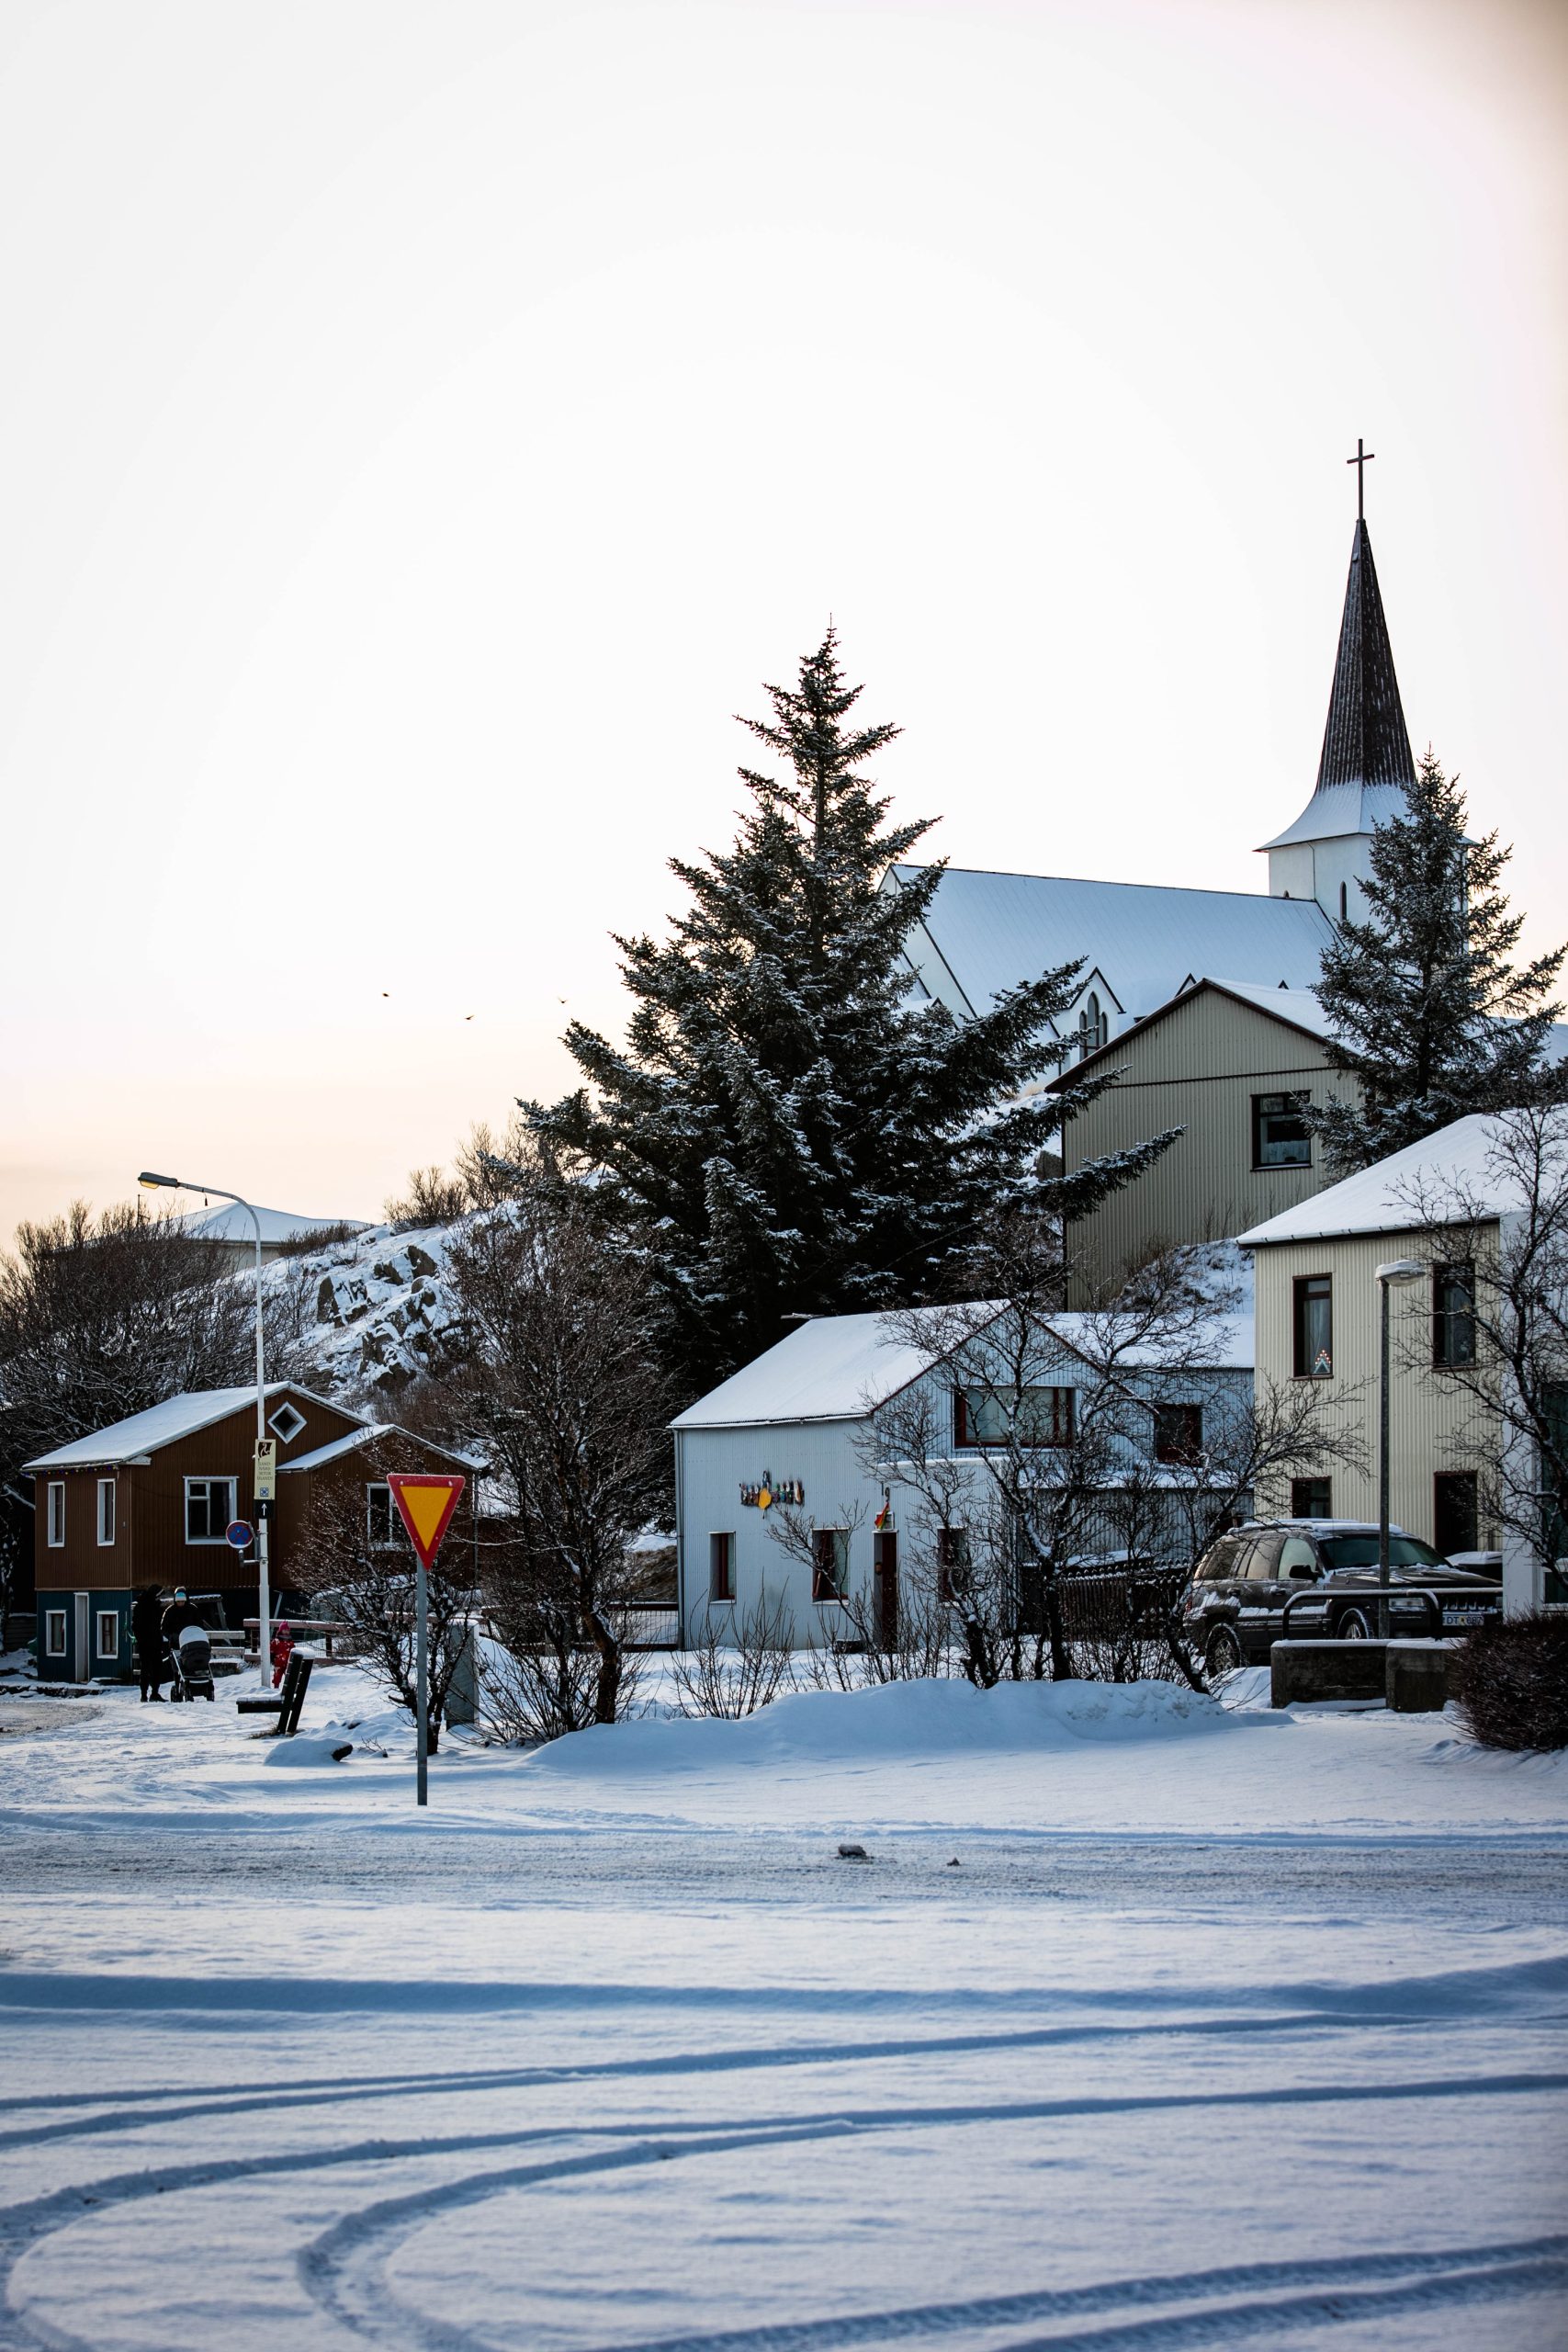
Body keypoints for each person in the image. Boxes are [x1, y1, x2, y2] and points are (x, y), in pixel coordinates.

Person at [131, 1585, 166, 1702]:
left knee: (153, 1669)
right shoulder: (144, 1607)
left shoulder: (148, 1606)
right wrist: (142, 1639)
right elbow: (136, 1626)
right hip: (147, 1643)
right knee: (148, 1669)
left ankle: (151, 1693)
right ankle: (146, 1694)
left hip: (152, 1643)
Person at [270, 1620, 294, 1690]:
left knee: (289, 1676)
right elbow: (272, 1649)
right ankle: (276, 1688)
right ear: (281, 1630)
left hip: (288, 1662)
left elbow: (293, 1649)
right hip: (278, 1662)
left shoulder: (290, 1641)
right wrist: (272, 1657)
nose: (286, 1631)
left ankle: (288, 1690)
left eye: (287, 1630)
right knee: (277, 1677)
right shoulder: (276, 1640)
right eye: (284, 1630)